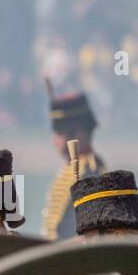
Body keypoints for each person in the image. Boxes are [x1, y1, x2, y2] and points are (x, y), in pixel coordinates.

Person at [41, 91, 106, 239]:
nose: (54, 138)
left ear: (76, 133)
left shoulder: (90, 171)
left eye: (59, 131)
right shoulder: (71, 169)